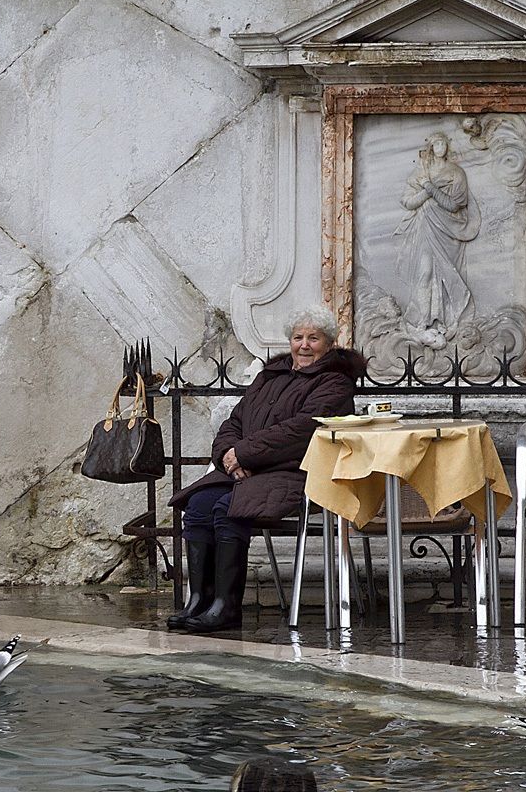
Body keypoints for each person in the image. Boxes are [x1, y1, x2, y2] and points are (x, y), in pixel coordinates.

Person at [165, 306, 365, 633]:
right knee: (198, 507)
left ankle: (226, 607)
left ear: (329, 343)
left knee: (228, 509)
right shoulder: (269, 376)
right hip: (246, 470)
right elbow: (235, 421)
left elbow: (302, 430)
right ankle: (199, 600)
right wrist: (228, 457)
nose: (304, 345)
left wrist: (243, 454)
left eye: (313, 338)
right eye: (298, 337)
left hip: (295, 473)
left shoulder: (335, 384)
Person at [394, 131, 480, 350]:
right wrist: (426, 191)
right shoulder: (419, 173)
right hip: (424, 227)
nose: (440, 146)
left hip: (447, 230)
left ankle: (446, 321)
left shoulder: (456, 173)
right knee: (424, 273)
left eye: (443, 142)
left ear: (447, 146)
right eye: (436, 143)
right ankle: (419, 321)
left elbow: (454, 205)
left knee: (445, 273)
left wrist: (430, 188)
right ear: (431, 147)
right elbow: (408, 202)